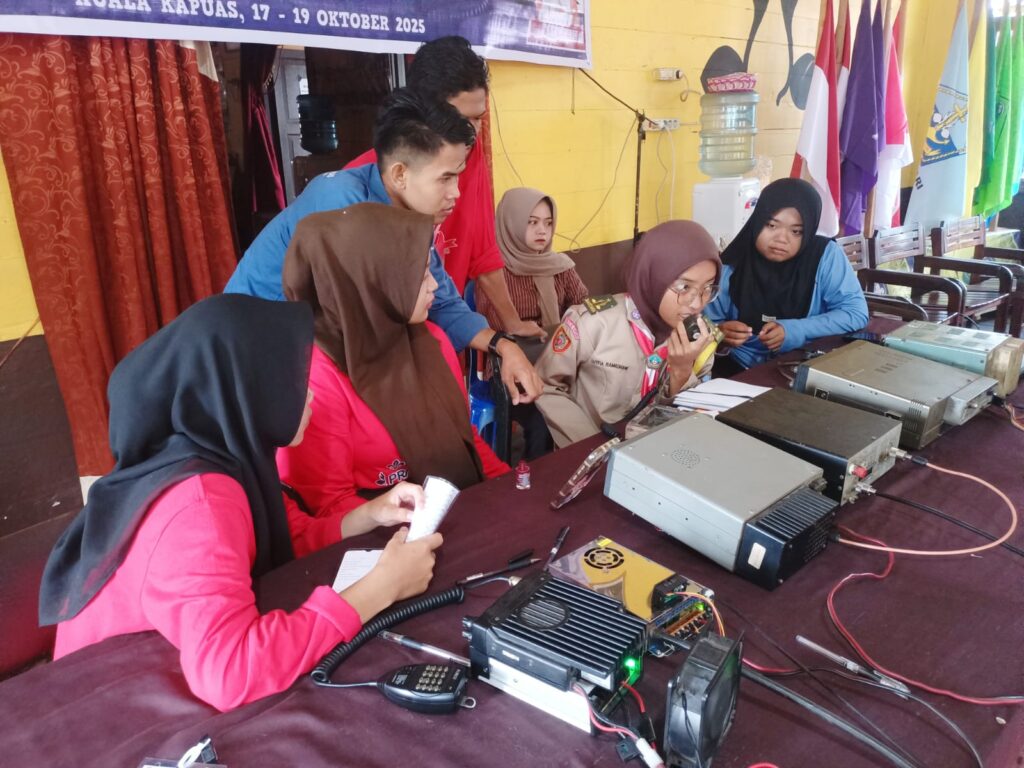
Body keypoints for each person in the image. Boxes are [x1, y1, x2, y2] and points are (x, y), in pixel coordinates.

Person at [40, 294, 443, 712]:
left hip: (154, 665)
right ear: (248, 389)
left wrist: (367, 515)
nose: (309, 395)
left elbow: (279, 536)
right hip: (104, 705)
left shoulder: (222, 452)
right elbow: (228, 671)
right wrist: (380, 589)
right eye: (293, 378)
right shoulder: (198, 503)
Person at [225, 87, 542, 405]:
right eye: (445, 178)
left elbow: (443, 301)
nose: (456, 193)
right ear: (400, 174)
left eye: (458, 177)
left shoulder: (410, 214)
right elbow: (356, 327)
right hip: (261, 346)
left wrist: (503, 345)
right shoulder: (344, 208)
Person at [277, 204, 509, 519]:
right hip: (385, 535)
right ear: (374, 283)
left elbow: (466, 441)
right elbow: (331, 507)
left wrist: (509, 488)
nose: (435, 285)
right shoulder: (317, 376)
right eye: (421, 275)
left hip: (454, 512)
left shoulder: (431, 341)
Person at [345, 36, 545, 340]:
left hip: (448, 320)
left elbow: (482, 249)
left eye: (479, 119)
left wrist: (511, 323)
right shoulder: (359, 187)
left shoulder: (469, 154)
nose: (472, 133)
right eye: (462, 119)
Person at [535, 220, 722, 448]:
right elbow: (547, 385)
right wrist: (591, 447)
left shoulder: (701, 339)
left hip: (658, 451)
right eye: (684, 287)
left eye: (708, 288)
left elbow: (691, 420)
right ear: (653, 276)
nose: (696, 303)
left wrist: (681, 371)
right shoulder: (594, 323)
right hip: (590, 452)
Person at [705, 177, 869, 372]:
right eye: (772, 225)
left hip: (804, 362)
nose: (781, 239)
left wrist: (795, 330)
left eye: (796, 231)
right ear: (757, 221)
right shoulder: (732, 262)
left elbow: (855, 313)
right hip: (739, 366)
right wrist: (719, 334)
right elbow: (704, 324)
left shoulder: (825, 255)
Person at [478, 187, 589, 458]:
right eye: (532, 222)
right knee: (544, 416)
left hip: (559, 358)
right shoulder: (493, 273)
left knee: (595, 394)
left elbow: (584, 307)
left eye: (548, 223)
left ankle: (583, 465)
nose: (542, 231)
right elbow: (494, 325)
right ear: (511, 224)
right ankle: (537, 475)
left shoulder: (560, 266)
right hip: (512, 364)